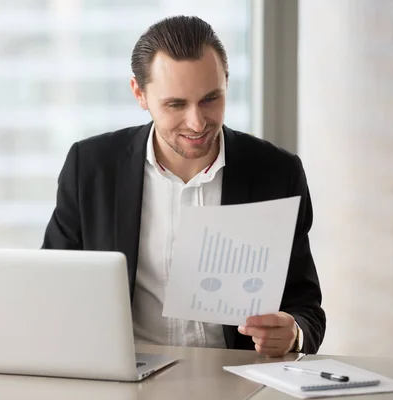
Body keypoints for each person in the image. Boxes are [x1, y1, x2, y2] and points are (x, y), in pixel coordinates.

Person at [42, 15, 325, 356]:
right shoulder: (89, 167)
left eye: (210, 99)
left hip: (237, 378)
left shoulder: (277, 173)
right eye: (176, 104)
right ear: (139, 94)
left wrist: (293, 333)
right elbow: (53, 288)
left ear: (226, 83)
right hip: (126, 375)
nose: (196, 122)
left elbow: (306, 307)